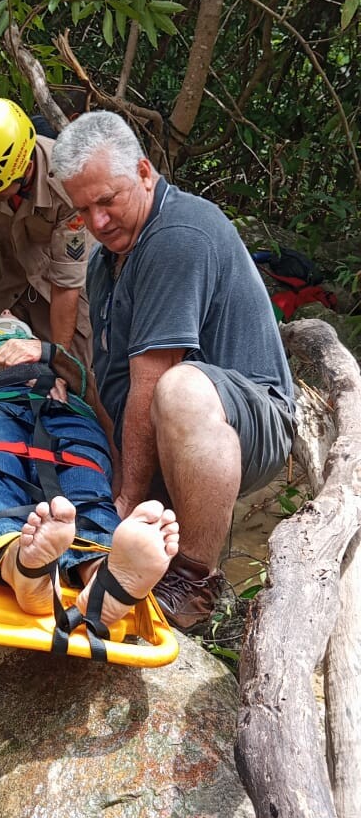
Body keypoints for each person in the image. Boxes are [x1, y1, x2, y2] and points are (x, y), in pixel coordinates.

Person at [50, 110, 296, 633]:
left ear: (143, 172)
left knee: (176, 387)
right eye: (82, 209)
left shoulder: (176, 234)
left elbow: (149, 385)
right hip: (172, 435)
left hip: (246, 421)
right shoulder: (104, 261)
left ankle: (194, 583)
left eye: (107, 200)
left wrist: (124, 503)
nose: (96, 222)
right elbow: (111, 386)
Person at [0, 314, 179, 628]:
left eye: (12, 316)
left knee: (84, 479)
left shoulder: (49, 353)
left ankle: (102, 572)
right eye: (0, 314)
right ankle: (22, 564)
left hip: (62, 406)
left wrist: (44, 353)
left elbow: (89, 389)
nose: (6, 314)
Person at [0, 98, 95, 371]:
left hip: (59, 295)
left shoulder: (68, 183)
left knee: (74, 380)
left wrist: (58, 360)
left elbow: (67, 284)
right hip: (3, 286)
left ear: (24, 170)